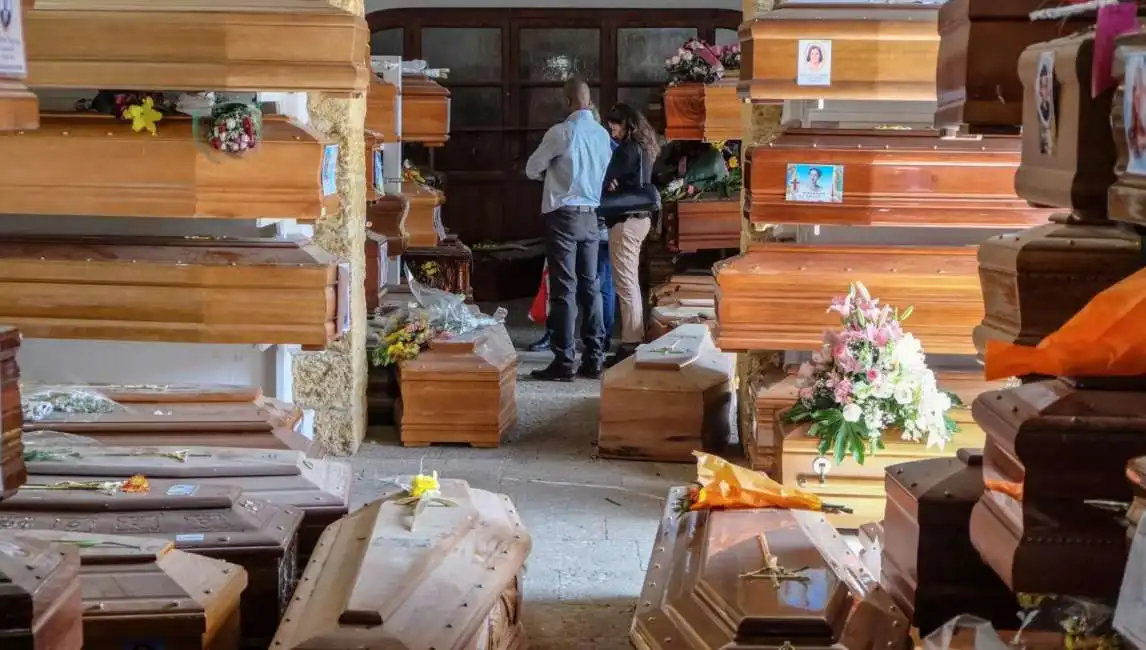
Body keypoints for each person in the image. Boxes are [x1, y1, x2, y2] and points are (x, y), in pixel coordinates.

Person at [524, 78, 613, 381]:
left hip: (563, 215)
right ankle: (595, 359)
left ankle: (564, 362)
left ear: (567, 102)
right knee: (591, 287)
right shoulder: (602, 135)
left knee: (564, 288)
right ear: (589, 102)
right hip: (591, 216)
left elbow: (532, 168)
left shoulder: (562, 132)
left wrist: (553, 176)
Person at [600, 102, 660, 366]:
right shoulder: (645, 146)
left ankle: (631, 344)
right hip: (640, 220)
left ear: (627, 124)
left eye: (615, 125)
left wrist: (610, 184)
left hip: (626, 221)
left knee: (625, 284)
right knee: (630, 282)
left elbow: (608, 178)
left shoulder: (627, 149)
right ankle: (632, 339)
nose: (612, 130)